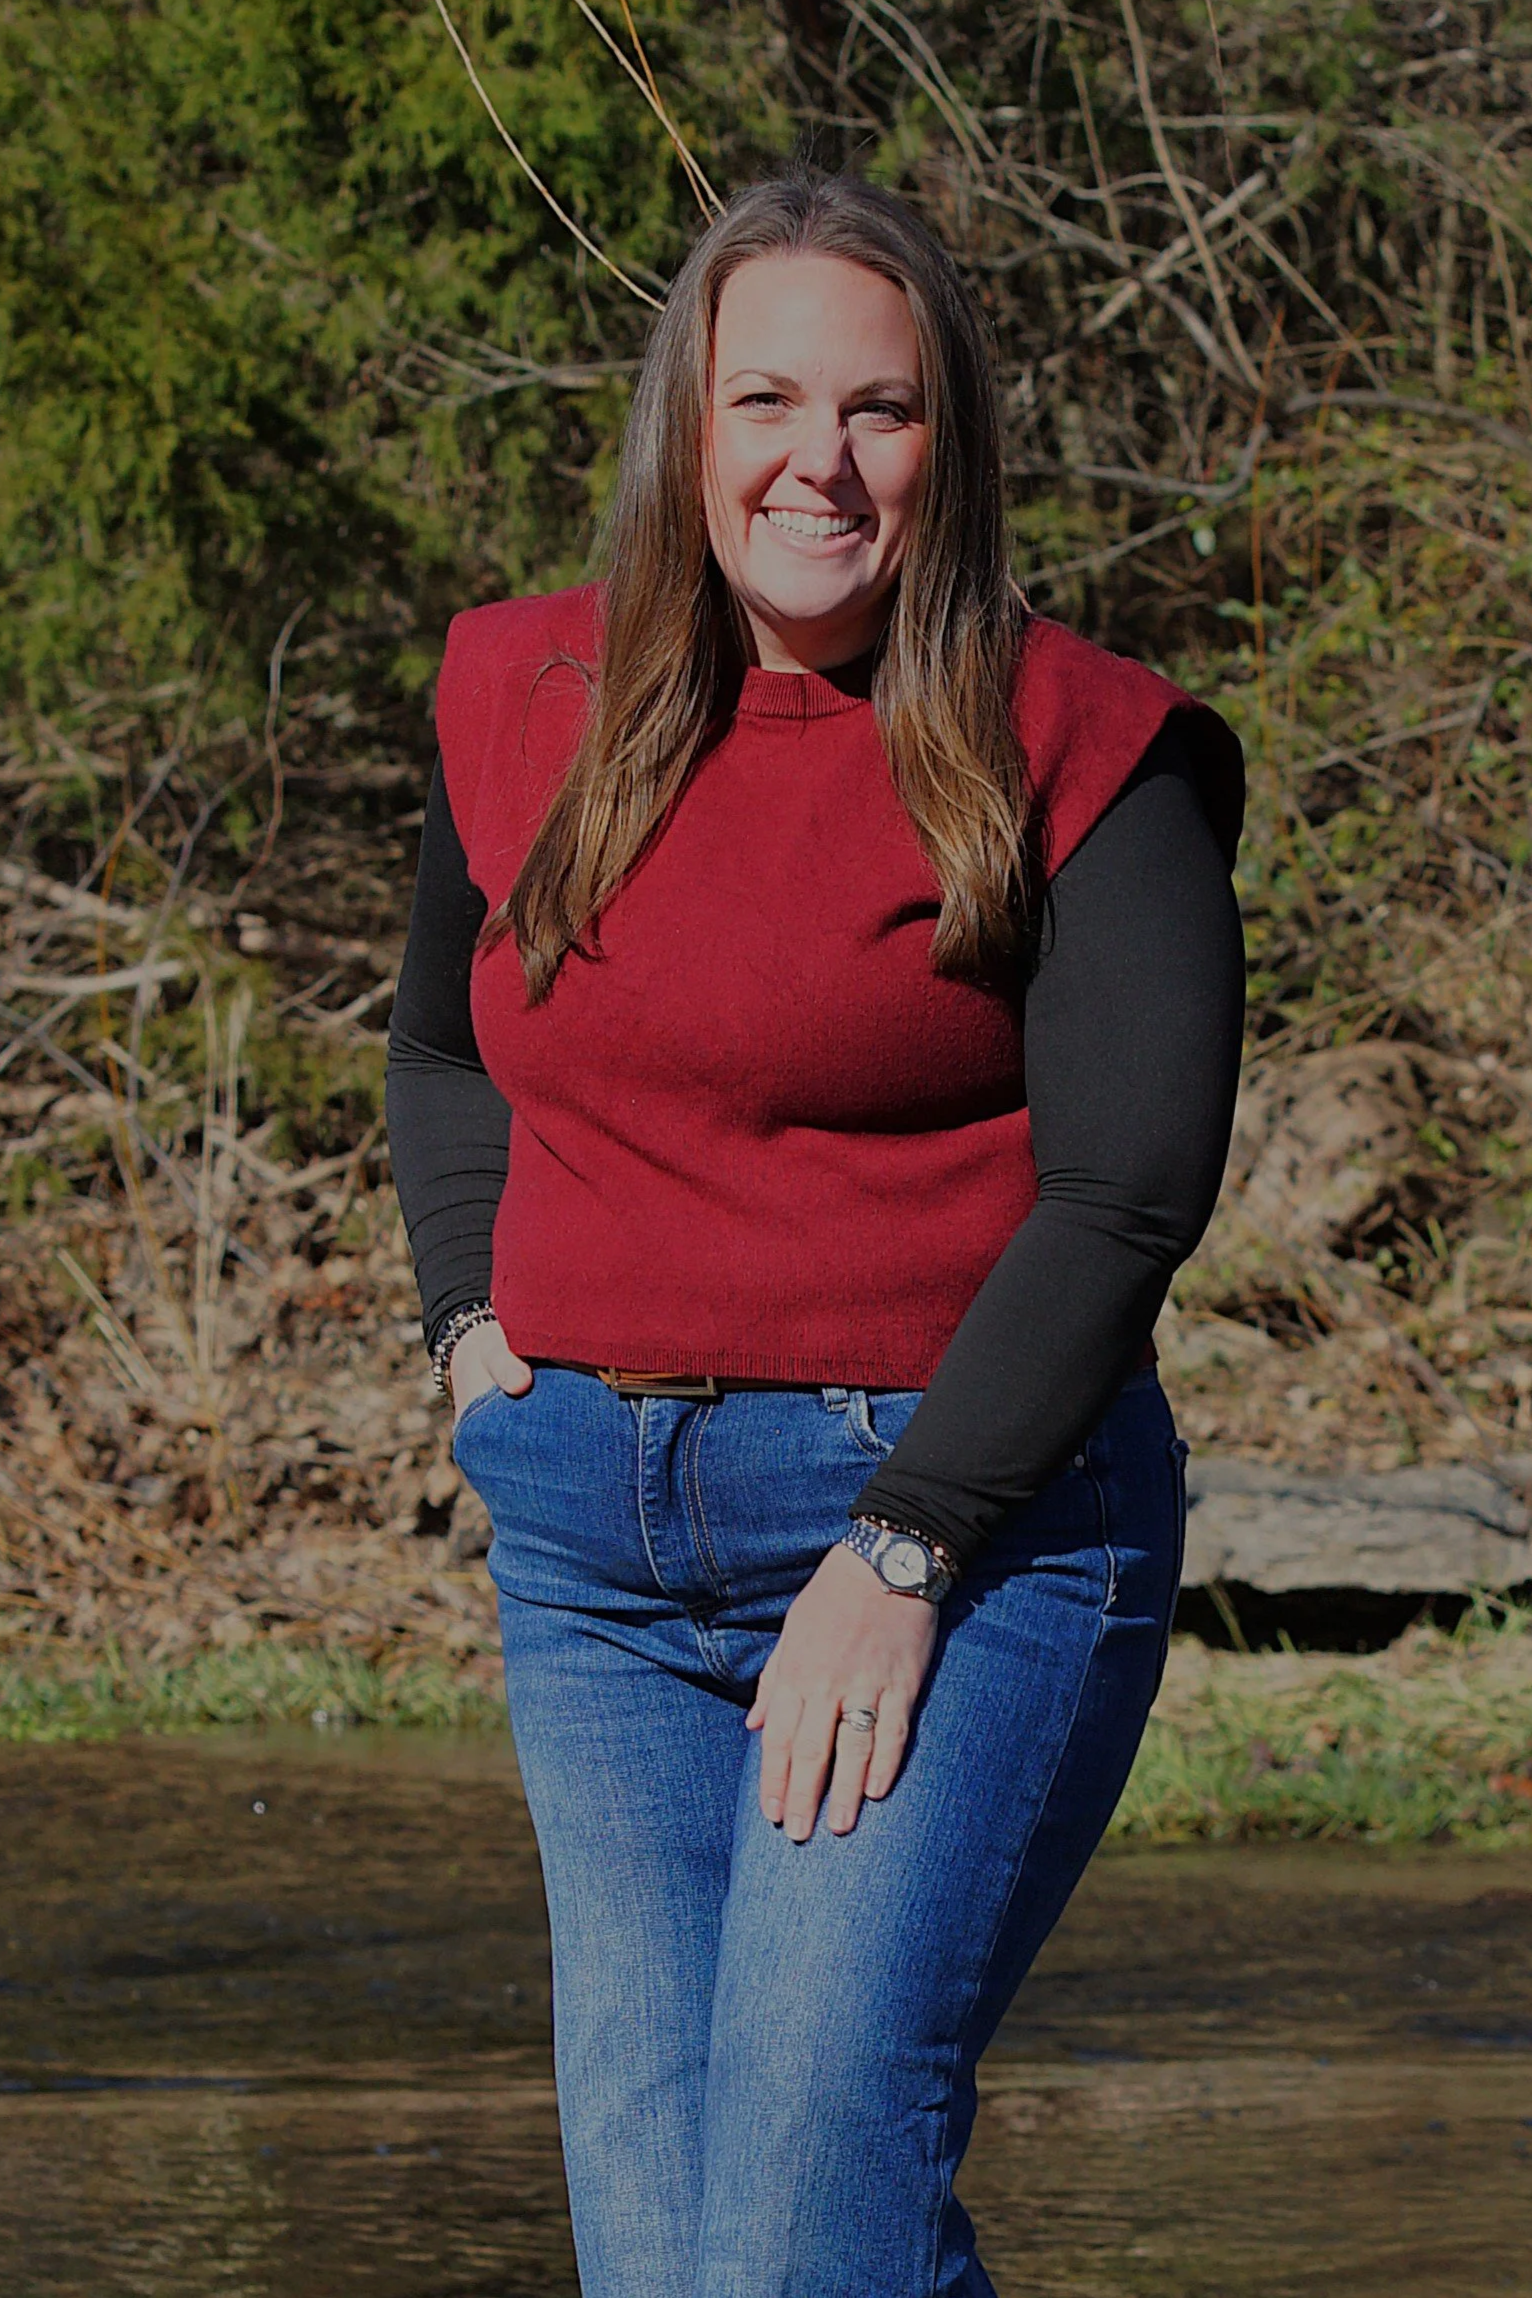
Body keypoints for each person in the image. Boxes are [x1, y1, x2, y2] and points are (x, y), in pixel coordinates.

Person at [386, 167, 1244, 2298]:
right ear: (688, 421)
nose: (817, 462)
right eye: (765, 399)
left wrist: (907, 1541)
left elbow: (1126, 1186)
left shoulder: (1076, 744)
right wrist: (471, 1325)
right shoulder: (519, 695)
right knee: (666, 2249)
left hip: (957, 1531)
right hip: (591, 1550)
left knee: (801, 2231)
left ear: (950, 444)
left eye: (880, 409)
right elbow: (440, 1056)